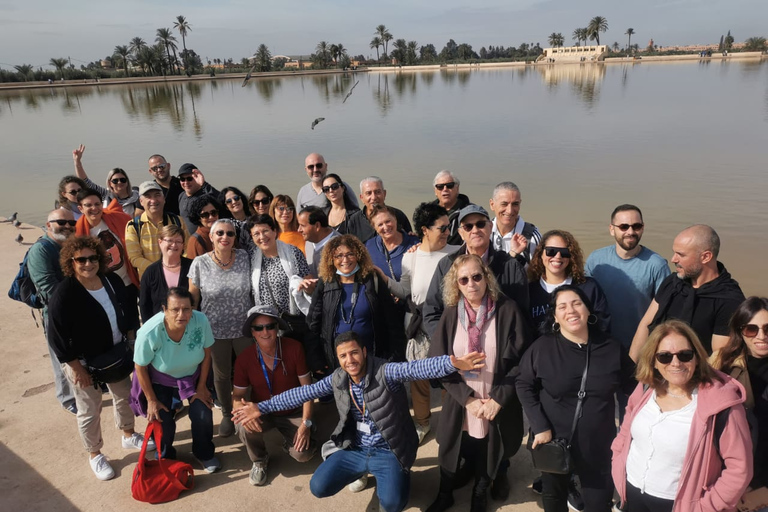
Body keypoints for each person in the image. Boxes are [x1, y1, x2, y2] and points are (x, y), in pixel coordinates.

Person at [232, 330, 486, 512]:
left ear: (364, 352)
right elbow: (301, 393)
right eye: (343, 356)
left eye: (354, 353)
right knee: (318, 487)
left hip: (389, 451)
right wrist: (261, 407)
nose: (350, 360)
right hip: (355, 448)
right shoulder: (338, 379)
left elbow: (416, 368)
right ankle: (362, 470)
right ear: (338, 360)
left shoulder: (386, 371)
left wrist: (452, 363)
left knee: (392, 504)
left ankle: (400, 475)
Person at [612, 320, 753, 512]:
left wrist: (705, 507)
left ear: (697, 357)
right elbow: (625, 433)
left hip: (679, 504)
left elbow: (739, 469)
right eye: (664, 357)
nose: (676, 363)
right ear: (653, 360)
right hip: (632, 493)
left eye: (685, 355)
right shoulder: (645, 388)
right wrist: (617, 465)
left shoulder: (721, 404)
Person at [517, 285, 636, 512]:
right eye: (562, 306)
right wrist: (539, 426)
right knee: (554, 494)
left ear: (588, 310)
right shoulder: (542, 348)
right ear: (555, 317)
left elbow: (635, 386)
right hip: (553, 440)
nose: (570, 310)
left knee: (599, 503)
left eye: (577, 303)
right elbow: (523, 384)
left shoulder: (611, 347)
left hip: (599, 443)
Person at [426, 255, 529, 512]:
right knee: (452, 446)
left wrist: (499, 398)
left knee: (490, 446)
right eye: (464, 279)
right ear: (456, 284)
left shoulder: (508, 310)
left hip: (494, 396)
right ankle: (444, 493)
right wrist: (467, 399)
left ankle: (480, 493)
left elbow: (522, 361)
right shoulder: (451, 314)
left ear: (486, 277)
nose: (471, 284)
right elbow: (439, 362)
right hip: (463, 398)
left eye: (476, 276)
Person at [47, 236, 148, 480]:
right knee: (89, 408)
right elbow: (57, 337)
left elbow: (128, 311)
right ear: (71, 262)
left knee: (123, 395)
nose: (88, 263)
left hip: (115, 352)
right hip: (81, 361)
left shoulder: (111, 280)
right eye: (81, 259)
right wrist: (76, 368)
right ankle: (95, 454)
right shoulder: (65, 293)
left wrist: (131, 340)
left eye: (93, 258)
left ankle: (128, 434)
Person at [384, 202, 461, 443]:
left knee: (450, 376)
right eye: (442, 228)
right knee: (419, 380)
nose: (448, 232)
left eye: (449, 227)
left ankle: (452, 421)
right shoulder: (411, 257)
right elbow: (406, 291)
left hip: (449, 324)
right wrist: (381, 276)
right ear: (425, 230)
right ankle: (423, 422)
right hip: (417, 326)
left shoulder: (457, 253)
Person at [132, 288, 221, 473]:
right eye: (175, 309)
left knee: (202, 413)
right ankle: (165, 457)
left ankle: (204, 453)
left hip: (193, 377)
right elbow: (140, 367)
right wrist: (151, 400)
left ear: (192, 308)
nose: (182, 314)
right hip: (160, 381)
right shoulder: (149, 332)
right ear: (164, 309)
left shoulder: (200, 320)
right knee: (162, 421)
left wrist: (202, 386)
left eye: (186, 309)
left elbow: (207, 354)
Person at [630, 224, 745, 359]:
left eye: (681, 254)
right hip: (658, 367)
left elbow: (719, 358)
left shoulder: (729, 300)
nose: (673, 259)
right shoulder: (672, 283)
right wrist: (631, 369)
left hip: (698, 375)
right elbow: (645, 325)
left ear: (706, 257)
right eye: (674, 252)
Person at [232, 306, 317, 486]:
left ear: (277, 328)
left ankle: (290, 442)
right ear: (252, 332)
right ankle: (259, 460)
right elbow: (237, 395)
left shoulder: (294, 348)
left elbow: (308, 390)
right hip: (261, 410)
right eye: (258, 328)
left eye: (270, 326)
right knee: (242, 423)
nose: (265, 331)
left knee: (303, 455)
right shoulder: (244, 358)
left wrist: (306, 423)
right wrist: (242, 412)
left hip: (293, 410)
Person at [423, 205, 529, 340]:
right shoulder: (446, 265)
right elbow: (431, 311)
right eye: (468, 227)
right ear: (461, 233)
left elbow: (522, 317)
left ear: (490, 227)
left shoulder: (511, 266)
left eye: (480, 224)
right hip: (456, 352)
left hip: (499, 350)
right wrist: (446, 342)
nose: (475, 230)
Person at [189, 218, 253, 438]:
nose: (225, 237)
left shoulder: (245, 257)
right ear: (212, 237)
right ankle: (227, 414)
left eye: (230, 234)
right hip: (214, 331)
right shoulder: (199, 263)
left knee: (246, 372)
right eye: (220, 234)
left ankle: (245, 411)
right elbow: (193, 299)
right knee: (222, 375)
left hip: (244, 328)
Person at [307, 234, 407, 373]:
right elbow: (313, 324)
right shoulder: (325, 284)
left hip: (374, 360)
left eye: (350, 254)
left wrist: (394, 358)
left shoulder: (373, 281)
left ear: (359, 255)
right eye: (339, 256)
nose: (345, 260)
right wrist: (316, 360)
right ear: (331, 260)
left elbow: (392, 322)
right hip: (337, 362)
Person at [585, 204, 670, 351]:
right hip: (600, 344)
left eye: (636, 226)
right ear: (612, 229)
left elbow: (665, 313)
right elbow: (583, 300)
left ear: (643, 227)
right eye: (624, 226)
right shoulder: (596, 260)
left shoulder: (657, 265)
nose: (630, 232)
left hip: (641, 348)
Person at [710, 297, 768, 489]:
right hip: (728, 473)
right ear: (740, 331)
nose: (761, 336)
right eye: (751, 329)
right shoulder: (721, 363)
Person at [27, 209, 78, 414]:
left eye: (70, 222)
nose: (67, 226)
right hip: (56, 314)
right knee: (61, 356)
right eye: (60, 222)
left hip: (75, 308)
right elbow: (47, 287)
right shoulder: (41, 250)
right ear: (49, 225)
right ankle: (67, 398)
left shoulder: (68, 246)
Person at [528, 230, 610, 336]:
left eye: (564, 252)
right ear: (540, 255)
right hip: (541, 351)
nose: (558, 256)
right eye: (551, 251)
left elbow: (603, 326)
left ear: (571, 257)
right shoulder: (529, 292)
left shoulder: (589, 288)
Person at [74, 188, 140, 313]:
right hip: (102, 288)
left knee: (133, 323)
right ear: (80, 208)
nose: (94, 208)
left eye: (97, 204)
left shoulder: (118, 219)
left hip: (127, 283)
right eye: (88, 205)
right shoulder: (78, 233)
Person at [249, 214, 314, 324]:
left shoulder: (293, 253)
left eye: (265, 231)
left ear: (274, 231)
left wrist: (306, 287)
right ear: (252, 237)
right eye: (256, 234)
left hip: (293, 320)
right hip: (267, 324)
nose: (262, 237)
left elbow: (309, 284)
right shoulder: (251, 257)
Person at [124, 181, 188, 279]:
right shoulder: (133, 226)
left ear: (164, 199)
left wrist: (176, 268)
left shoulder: (177, 220)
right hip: (151, 280)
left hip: (178, 276)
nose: (153, 200)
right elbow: (135, 258)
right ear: (141, 201)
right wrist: (160, 270)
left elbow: (187, 248)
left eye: (157, 195)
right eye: (148, 196)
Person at [139, 225, 192, 323]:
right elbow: (144, 305)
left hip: (189, 325)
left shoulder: (192, 267)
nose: (174, 245)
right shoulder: (150, 272)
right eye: (170, 241)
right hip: (160, 330)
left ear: (183, 245)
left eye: (178, 241)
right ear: (160, 242)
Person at [72, 144, 142, 217]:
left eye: (123, 180)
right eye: (115, 181)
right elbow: (86, 182)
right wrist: (77, 162)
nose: (119, 182)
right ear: (110, 183)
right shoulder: (105, 194)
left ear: (127, 182)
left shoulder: (136, 196)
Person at [489, 182, 542, 266]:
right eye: (504, 204)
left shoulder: (532, 237)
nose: (510, 210)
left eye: (515, 204)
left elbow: (540, 273)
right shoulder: (482, 232)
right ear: (492, 204)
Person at [346, 176, 412, 243]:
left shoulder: (398, 215)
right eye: (369, 193)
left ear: (384, 194)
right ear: (362, 198)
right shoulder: (354, 221)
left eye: (377, 192)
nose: (374, 197)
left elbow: (410, 240)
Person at [365, 204, 419, 282]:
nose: (386, 227)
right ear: (374, 228)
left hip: (408, 293)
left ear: (395, 219)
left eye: (388, 221)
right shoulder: (369, 246)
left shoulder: (415, 244)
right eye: (380, 224)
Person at [431, 170, 472, 246]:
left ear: (457, 188)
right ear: (435, 191)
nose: (445, 189)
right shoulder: (427, 213)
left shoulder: (470, 212)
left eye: (449, 185)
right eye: (440, 187)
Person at [177, 163, 219, 234]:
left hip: (204, 239)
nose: (186, 182)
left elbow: (223, 199)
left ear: (197, 178)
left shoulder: (205, 196)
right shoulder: (181, 196)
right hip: (186, 241)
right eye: (182, 179)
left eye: (190, 179)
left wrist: (204, 184)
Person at [298, 206, 340, 276]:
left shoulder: (339, 246)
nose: (299, 230)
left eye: (303, 226)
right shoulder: (309, 242)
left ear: (317, 226)